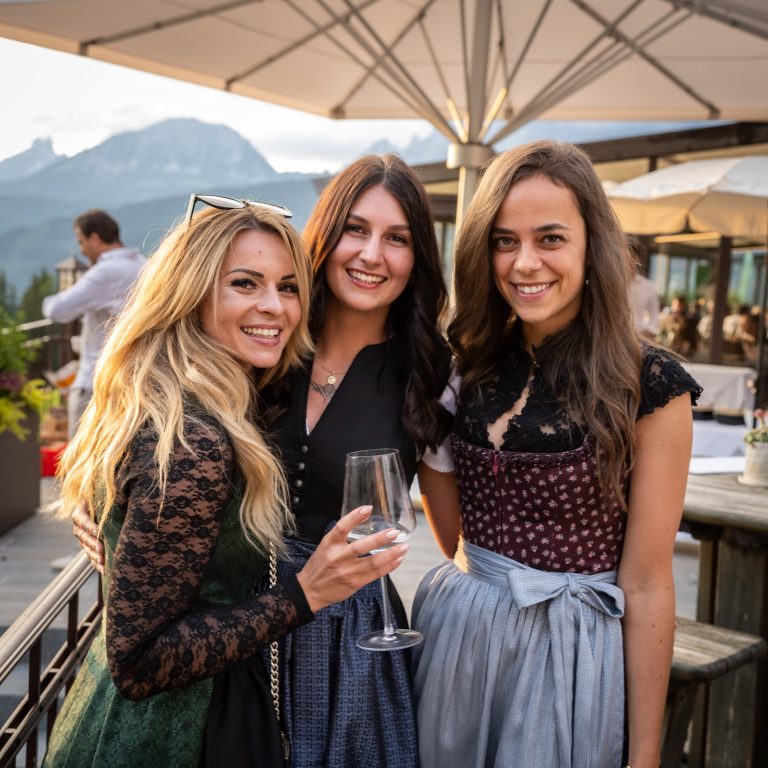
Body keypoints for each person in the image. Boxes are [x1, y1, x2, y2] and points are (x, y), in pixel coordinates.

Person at [73, 155, 452, 768]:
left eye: (397, 238)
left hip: (345, 632)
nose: (371, 254)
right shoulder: (260, 345)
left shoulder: (433, 374)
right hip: (225, 621)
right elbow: (152, 428)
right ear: (323, 240)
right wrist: (101, 513)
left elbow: (458, 529)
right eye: (355, 229)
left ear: (418, 258)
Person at [412, 141, 701, 768]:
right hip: (459, 635)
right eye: (504, 241)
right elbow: (456, 538)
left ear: (592, 246)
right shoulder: (467, 366)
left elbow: (648, 583)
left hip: (568, 652)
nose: (524, 263)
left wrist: (645, 755)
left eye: (550, 239)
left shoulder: (650, 384)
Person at [42, 209, 145, 438]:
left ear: (95, 238)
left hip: (96, 384)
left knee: (80, 454)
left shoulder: (105, 272)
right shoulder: (143, 264)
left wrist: (52, 299)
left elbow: (58, 310)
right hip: (135, 381)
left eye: (81, 241)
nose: (81, 250)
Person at [627, 238, 659, 340]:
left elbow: (655, 316)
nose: (627, 261)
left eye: (630, 257)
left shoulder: (648, 286)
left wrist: (648, 332)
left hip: (640, 340)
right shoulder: (611, 283)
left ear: (637, 260)